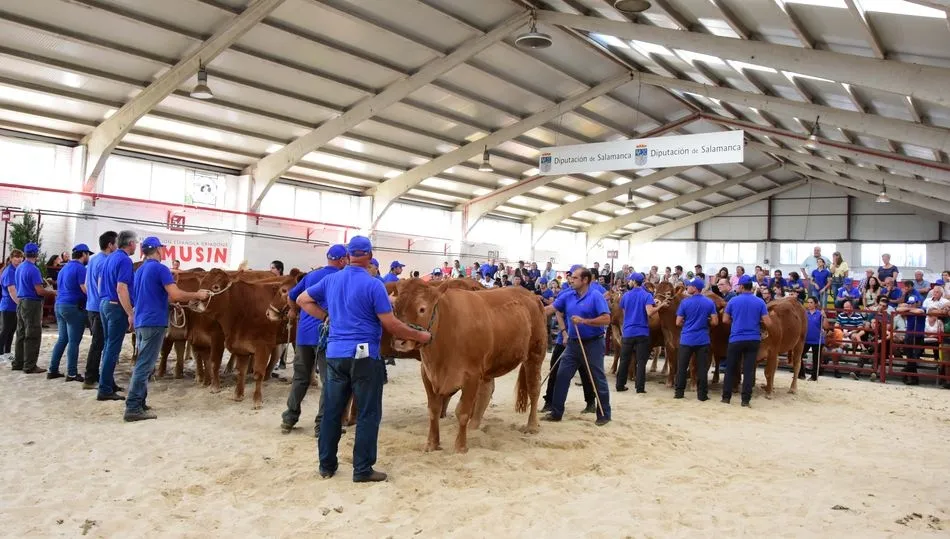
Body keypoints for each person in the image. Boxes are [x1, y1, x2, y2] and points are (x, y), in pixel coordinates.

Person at [297, 236, 431, 483]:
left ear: (348, 256)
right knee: (368, 413)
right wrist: (419, 335)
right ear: (369, 257)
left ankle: (326, 465)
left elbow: (302, 300)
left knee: (332, 411)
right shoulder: (373, 285)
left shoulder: (331, 280)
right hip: (365, 357)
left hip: (335, 354)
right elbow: (390, 323)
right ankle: (362, 469)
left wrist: (327, 317)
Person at [125, 237, 210, 421]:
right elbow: (176, 293)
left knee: (144, 363)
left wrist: (171, 304)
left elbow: (155, 296)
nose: (163, 252)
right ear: (158, 250)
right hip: (154, 322)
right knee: (145, 365)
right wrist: (198, 294)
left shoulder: (139, 270)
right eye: (162, 249)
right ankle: (132, 407)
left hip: (142, 320)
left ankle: (139, 402)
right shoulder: (160, 268)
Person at [280, 245, 348, 436]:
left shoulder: (311, 276)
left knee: (300, 378)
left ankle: (289, 419)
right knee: (329, 381)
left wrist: (294, 311)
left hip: (303, 336)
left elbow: (292, 296)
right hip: (326, 336)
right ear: (343, 260)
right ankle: (321, 425)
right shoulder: (340, 279)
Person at [542, 267, 612, 426]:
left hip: (594, 342)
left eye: (574, 278)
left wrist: (585, 321)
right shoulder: (567, 296)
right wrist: (530, 312)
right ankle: (556, 412)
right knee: (561, 376)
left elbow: (606, 319)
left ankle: (604, 414)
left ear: (585, 280)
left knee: (597, 378)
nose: (571, 280)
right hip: (573, 344)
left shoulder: (595, 296)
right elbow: (549, 309)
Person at [98, 230, 137, 401]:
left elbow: (100, 282)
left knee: (108, 346)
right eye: (135, 242)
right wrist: (130, 313)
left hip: (105, 303)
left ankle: (108, 382)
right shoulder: (125, 260)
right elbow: (122, 288)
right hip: (116, 306)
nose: (136, 245)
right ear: (130, 244)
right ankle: (105, 389)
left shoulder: (110, 258)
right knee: (113, 348)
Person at [721, 275, 771, 408]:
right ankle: (745, 400)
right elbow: (768, 322)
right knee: (749, 370)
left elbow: (725, 320)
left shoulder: (733, 301)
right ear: (752, 287)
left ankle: (726, 398)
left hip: (736, 338)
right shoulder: (760, 302)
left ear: (742, 286)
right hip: (753, 339)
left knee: (730, 368)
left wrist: (736, 322)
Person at [47, 244, 93, 381]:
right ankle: (72, 373)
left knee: (62, 339)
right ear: (83, 254)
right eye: (88, 254)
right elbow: (84, 289)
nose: (88, 257)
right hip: (73, 307)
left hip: (59, 305)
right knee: (74, 341)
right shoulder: (80, 269)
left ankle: (52, 369)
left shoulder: (63, 268)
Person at [11, 243, 56, 374]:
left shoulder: (19, 268)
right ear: (37, 254)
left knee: (21, 333)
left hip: (21, 302)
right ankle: (30, 365)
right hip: (32, 304)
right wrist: (53, 292)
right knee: (33, 334)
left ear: (25, 254)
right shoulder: (33, 269)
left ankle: (18, 362)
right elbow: (39, 291)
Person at [82, 231, 117, 390]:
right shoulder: (105, 261)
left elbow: (88, 285)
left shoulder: (93, 259)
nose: (117, 246)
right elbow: (101, 284)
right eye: (116, 243)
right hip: (100, 307)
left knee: (98, 343)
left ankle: (93, 377)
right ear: (110, 245)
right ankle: (92, 378)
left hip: (92, 305)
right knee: (102, 344)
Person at [674, 278, 718, 401]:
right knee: (702, 368)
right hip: (702, 339)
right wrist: (705, 322)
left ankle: (679, 393)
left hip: (686, 339)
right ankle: (702, 395)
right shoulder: (709, 303)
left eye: (689, 286)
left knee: (682, 367)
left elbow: (678, 322)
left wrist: (687, 324)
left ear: (694, 288)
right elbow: (715, 321)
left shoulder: (685, 302)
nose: (687, 287)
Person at [615, 272, 659, 393]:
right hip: (642, 332)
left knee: (624, 360)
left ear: (634, 282)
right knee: (641, 361)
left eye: (630, 280)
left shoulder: (625, 296)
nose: (628, 282)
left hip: (628, 331)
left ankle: (620, 385)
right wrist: (660, 306)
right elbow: (650, 312)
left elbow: (624, 313)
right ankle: (640, 388)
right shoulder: (647, 295)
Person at [896, 280, 924, 385]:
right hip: (909, 335)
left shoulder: (922, 308)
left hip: (917, 336)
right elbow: (898, 309)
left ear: (917, 302)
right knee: (910, 357)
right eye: (910, 303)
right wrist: (909, 309)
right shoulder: (911, 308)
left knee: (913, 358)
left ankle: (906, 373)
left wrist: (907, 309)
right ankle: (911, 378)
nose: (911, 305)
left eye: (913, 303)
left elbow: (920, 311)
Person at [0, 249, 24, 359]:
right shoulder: (9, 271)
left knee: (11, 330)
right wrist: (20, 303)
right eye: (16, 257)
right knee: (5, 330)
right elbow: (12, 291)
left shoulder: (16, 270)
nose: (19, 259)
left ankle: (7, 352)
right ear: (11, 258)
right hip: (8, 305)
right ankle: (1, 353)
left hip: (14, 305)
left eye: (20, 257)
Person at [802, 297, 826, 381]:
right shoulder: (805, 313)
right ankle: (801, 374)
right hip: (806, 339)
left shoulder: (820, 313)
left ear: (815, 304)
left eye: (811, 302)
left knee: (816, 360)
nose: (809, 304)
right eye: (808, 302)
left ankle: (814, 377)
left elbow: (826, 326)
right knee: (799, 356)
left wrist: (825, 316)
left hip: (817, 340)